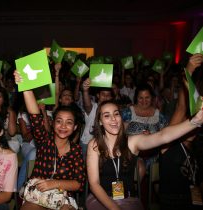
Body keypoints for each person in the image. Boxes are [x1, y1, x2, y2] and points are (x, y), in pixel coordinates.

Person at [86, 100, 203, 210]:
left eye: (116, 114)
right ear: (100, 121)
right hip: (101, 200)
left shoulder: (132, 142)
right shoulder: (94, 145)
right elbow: (94, 185)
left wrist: (194, 121)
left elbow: (163, 136)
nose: (113, 119)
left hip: (128, 201)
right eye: (106, 115)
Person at [14, 71, 86, 210]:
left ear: (75, 127)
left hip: (62, 197)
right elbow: (34, 115)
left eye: (69, 122)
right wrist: (26, 87)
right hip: (37, 196)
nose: (63, 126)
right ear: (53, 124)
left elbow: (78, 183)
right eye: (59, 121)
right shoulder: (44, 141)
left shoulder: (76, 150)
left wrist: (53, 183)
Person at [158, 53, 203, 210]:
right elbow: (181, 107)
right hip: (172, 202)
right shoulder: (169, 145)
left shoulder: (197, 149)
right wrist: (188, 72)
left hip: (194, 200)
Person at [80, 78, 113, 158]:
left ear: (111, 97)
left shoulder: (112, 110)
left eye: (108, 95)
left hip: (105, 144)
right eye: (103, 94)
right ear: (98, 95)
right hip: (87, 143)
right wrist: (85, 91)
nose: (105, 96)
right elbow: (87, 105)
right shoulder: (93, 107)